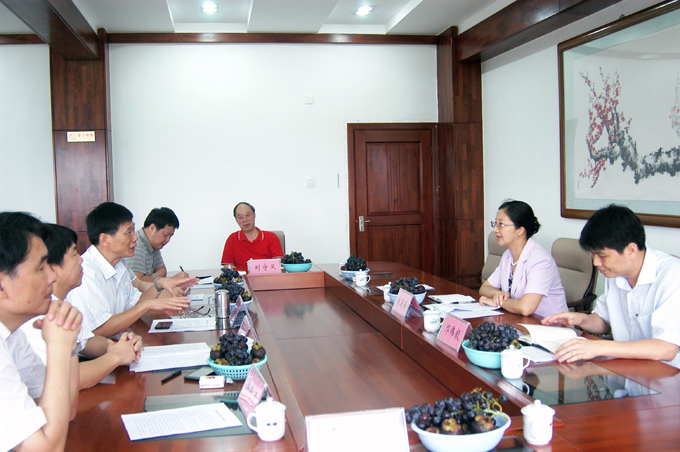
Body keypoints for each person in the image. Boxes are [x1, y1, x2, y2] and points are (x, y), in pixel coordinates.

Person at [542, 204, 680, 368]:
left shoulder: (672, 276)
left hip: (665, 376)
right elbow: (604, 321)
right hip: (625, 370)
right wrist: (581, 319)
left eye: (602, 256)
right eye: (593, 255)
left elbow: (666, 348)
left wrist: (599, 347)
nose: (596, 263)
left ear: (631, 250)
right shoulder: (615, 273)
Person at [19, 223, 143, 390]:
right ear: (52, 267)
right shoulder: (36, 316)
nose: (81, 260)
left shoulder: (61, 302)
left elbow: (86, 341)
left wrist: (116, 347)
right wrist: (117, 356)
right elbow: (68, 379)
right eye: (74, 254)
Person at [0, 219, 81, 452]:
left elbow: (66, 411)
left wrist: (68, 344)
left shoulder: (12, 336)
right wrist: (59, 346)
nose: (52, 277)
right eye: (40, 268)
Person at [66, 202, 196, 338]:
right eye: (129, 232)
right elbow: (100, 329)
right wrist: (147, 305)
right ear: (105, 239)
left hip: (121, 340)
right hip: (103, 347)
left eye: (133, 230)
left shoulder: (119, 263)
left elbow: (136, 302)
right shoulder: (87, 273)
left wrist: (159, 284)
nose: (135, 238)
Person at [479, 200, 567, 317]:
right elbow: (485, 288)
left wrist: (499, 302)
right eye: (495, 224)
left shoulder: (540, 260)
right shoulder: (508, 255)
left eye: (501, 224)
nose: (495, 229)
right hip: (520, 320)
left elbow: (526, 308)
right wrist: (497, 294)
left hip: (550, 324)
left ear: (520, 230)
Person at [125, 207, 188, 282]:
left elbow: (162, 270)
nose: (168, 240)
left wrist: (149, 278)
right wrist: (170, 280)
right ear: (152, 228)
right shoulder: (136, 246)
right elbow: (137, 281)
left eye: (170, 236)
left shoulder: (153, 244)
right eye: (165, 235)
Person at [220, 202, 283, 269]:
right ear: (236, 220)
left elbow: (278, 262)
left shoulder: (271, 237)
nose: (245, 220)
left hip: (267, 275)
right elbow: (227, 265)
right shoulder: (232, 239)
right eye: (240, 217)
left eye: (247, 215)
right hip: (242, 275)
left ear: (254, 215)